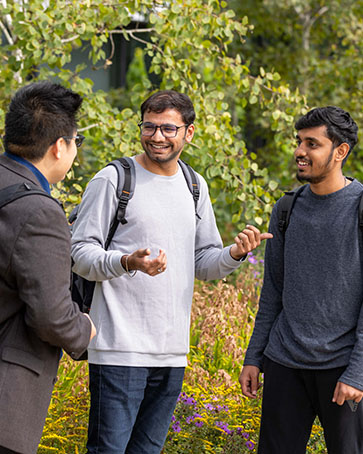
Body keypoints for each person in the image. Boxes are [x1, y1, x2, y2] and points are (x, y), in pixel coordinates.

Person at [71, 89, 273, 454]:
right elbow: (80, 253)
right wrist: (127, 262)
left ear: (189, 133)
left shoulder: (195, 185)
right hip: (119, 349)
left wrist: (234, 253)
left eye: (168, 129)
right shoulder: (113, 179)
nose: (157, 137)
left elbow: (203, 263)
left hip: (171, 352)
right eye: (149, 127)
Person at [240, 106, 363, 453]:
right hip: (284, 363)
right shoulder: (286, 209)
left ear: (340, 151)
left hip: (342, 368)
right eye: (299, 142)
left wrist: (358, 373)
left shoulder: (359, 208)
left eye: (312, 144)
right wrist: (255, 356)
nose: (300, 152)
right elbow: (273, 291)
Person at [0, 81, 96, 454]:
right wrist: (83, 330)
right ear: (60, 146)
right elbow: (52, 317)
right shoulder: (40, 211)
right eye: (76, 141)